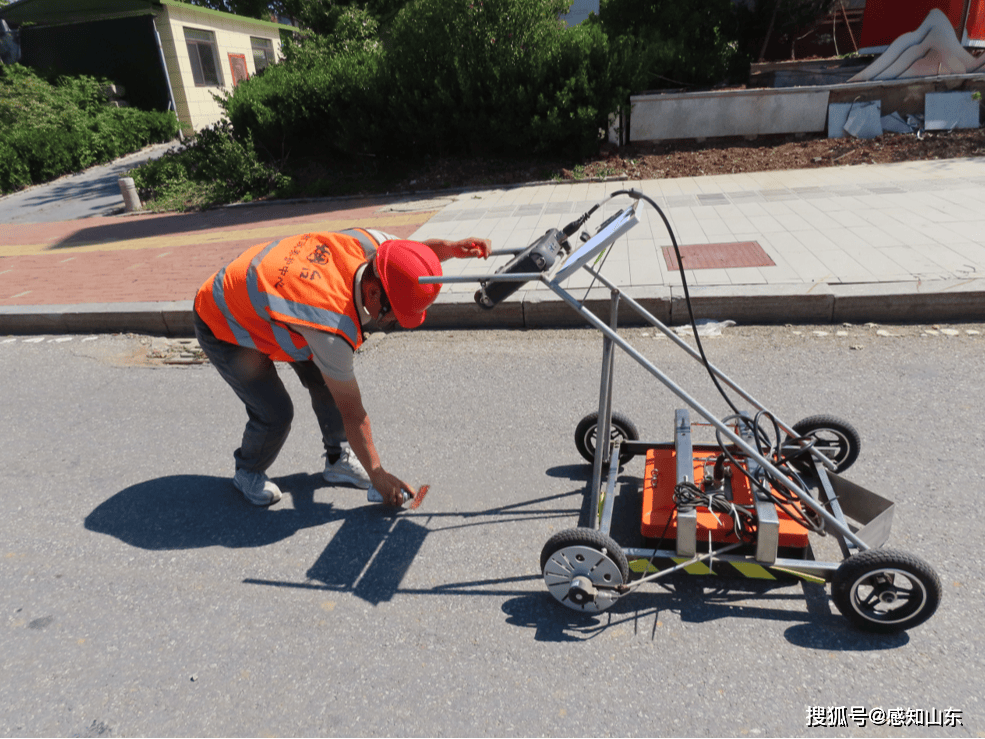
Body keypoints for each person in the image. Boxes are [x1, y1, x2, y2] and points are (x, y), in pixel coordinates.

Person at [193, 228, 491, 508]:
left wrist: (449, 250)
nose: (391, 323)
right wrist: (378, 473)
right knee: (275, 413)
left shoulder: (375, 246)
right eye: (393, 315)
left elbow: (412, 257)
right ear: (373, 294)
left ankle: (337, 460)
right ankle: (247, 470)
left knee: (325, 381)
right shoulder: (329, 325)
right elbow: (352, 410)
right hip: (222, 318)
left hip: (273, 299)